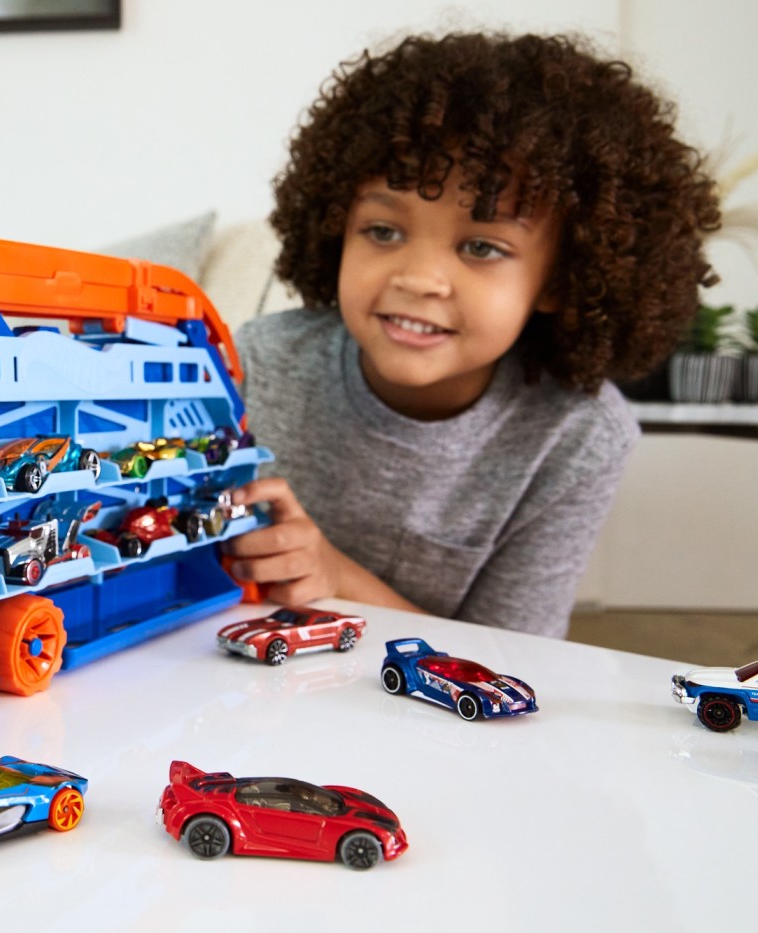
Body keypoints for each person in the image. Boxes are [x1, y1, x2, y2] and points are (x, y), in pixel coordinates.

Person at [224, 32, 721, 637]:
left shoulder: (577, 438)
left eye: (481, 247)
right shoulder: (259, 363)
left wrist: (334, 579)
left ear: (559, 279)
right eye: (383, 231)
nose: (418, 278)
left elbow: (514, 661)